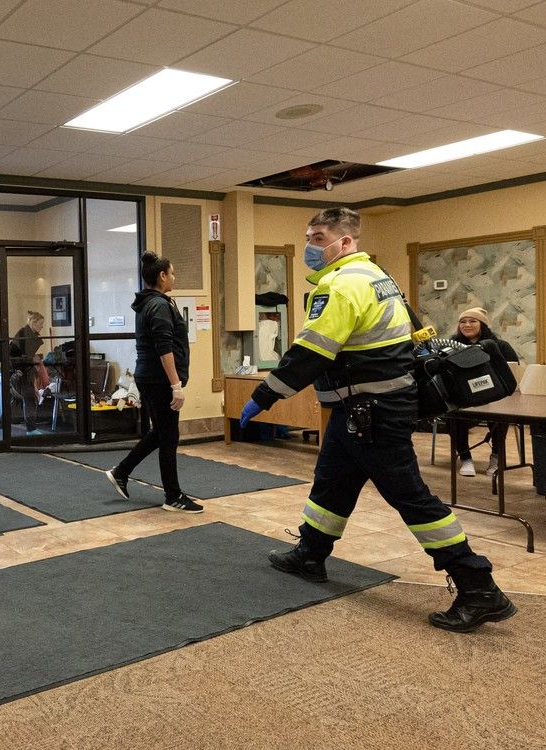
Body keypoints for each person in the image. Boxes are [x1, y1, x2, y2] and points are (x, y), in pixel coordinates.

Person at [238, 207, 515, 632]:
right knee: (332, 481)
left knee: (411, 496)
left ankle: (478, 586)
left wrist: (264, 395)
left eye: (319, 237)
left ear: (346, 241)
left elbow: (311, 352)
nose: (310, 247)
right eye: (308, 237)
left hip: (374, 412)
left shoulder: (341, 285)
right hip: (361, 408)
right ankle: (310, 554)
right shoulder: (378, 277)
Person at [105, 251, 201, 513]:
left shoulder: (153, 302)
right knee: (169, 437)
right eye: (172, 273)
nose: (174, 277)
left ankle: (121, 471)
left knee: (160, 433)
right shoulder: (158, 305)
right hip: (159, 381)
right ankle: (173, 496)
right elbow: (164, 348)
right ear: (161, 275)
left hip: (151, 379)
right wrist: (175, 386)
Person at [449, 307, 519, 477]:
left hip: (495, 399)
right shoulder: (452, 346)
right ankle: (465, 458)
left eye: (472, 321)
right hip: (466, 399)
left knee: (500, 415)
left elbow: (514, 372)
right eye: (462, 322)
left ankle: (496, 457)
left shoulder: (500, 346)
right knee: (455, 415)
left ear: (483, 325)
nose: (467, 325)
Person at [9, 310, 47, 435]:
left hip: (19, 370)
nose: (42, 326)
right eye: (41, 324)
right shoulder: (25, 335)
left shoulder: (26, 334)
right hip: (21, 370)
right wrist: (33, 358)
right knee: (29, 398)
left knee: (16, 399)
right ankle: (31, 429)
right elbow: (20, 355)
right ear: (34, 323)